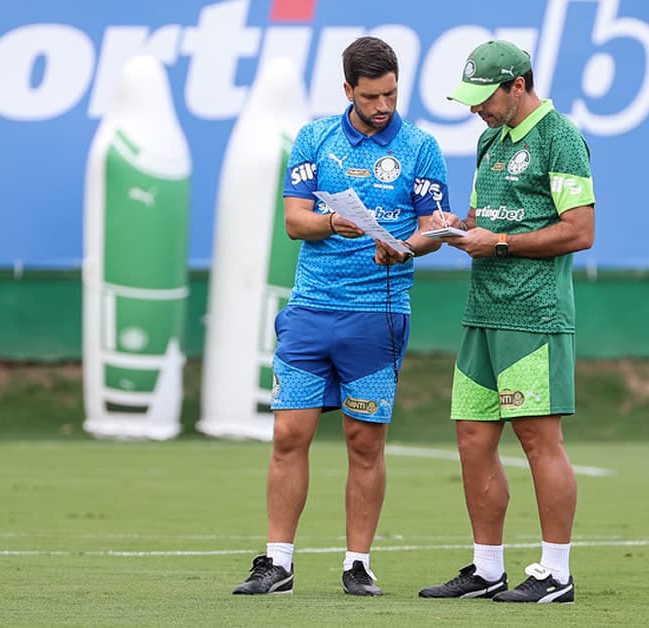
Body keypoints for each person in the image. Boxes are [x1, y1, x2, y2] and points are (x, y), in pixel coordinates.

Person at [232, 36, 453, 597]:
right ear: (348, 89)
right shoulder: (314, 138)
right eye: (373, 95)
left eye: (392, 94)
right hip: (310, 310)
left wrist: (404, 245)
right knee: (288, 433)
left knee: (364, 442)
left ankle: (358, 564)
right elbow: (294, 221)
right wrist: (335, 223)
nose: (384, 106)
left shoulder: (422, 146)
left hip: (376, 316)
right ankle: (277, 562)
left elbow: (434, 229)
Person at [417, 40, 595, 604]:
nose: (476, 109)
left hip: (534, 314)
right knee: (472, 437)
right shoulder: (488, 139)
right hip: (483, 312)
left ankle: (555, 573)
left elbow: (579, 230)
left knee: (539, 440)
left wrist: (499, 244)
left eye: (484, 97)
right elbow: (483, 221)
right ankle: (486, 567)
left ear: (518, 84)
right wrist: (453, 227)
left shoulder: (560, 136)